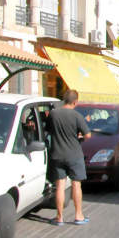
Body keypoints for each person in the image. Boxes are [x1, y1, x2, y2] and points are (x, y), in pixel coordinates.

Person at [45, 89, 91, 226]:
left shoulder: (53, 114)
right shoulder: (77, 116)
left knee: (60, 185)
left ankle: (59, 217)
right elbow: (87, 135)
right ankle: (78, 216)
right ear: (75, 101)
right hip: (74, 155)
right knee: (76, 184)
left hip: (57, 154)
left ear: (64, 99)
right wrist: (80, 136)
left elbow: (48, 129)